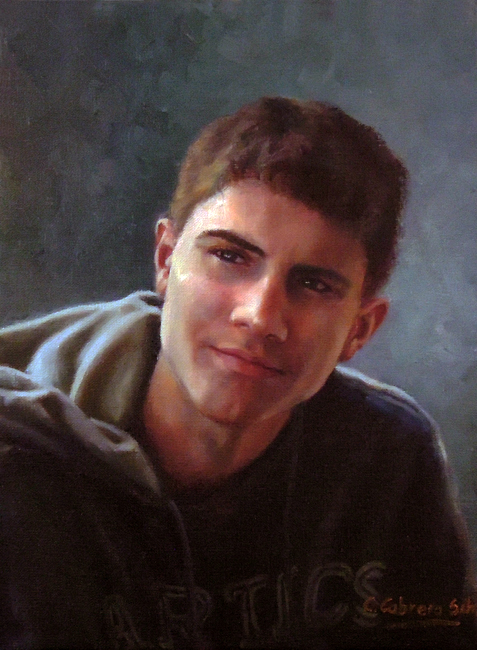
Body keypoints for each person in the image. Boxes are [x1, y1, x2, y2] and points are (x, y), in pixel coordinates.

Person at [0, 97, 475, 649]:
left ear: (359, 330)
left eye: (314, 284)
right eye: (230, 256)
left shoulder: (390, 461)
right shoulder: (19, 464)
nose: (261, 316)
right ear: (166, 260)